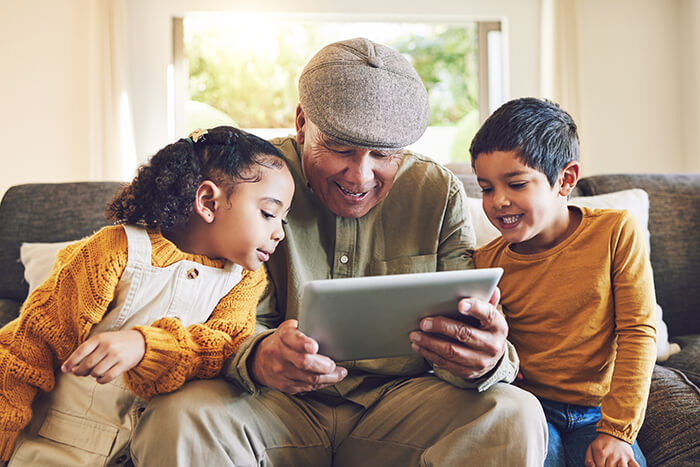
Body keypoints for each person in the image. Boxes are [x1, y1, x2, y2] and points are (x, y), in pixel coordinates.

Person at [131, 38, 547, 467]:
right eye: (341, 148)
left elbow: (466, 327)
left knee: (515, 412)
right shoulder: (250, 184)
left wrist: (487, 357)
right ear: (301, 122)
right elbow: (198, 306)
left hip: (402, 407)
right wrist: (257, 357)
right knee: (177, 416)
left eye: (384, 154)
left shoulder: (437, 193)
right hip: (268, 404)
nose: (360, 176)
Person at [0, 126, 295, 466]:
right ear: (208, 201)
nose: (278, 233)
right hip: (55, 450)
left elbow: (219, 350)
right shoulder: (112, 252)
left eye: (283, 221)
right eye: (269, 213)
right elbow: (25, 352)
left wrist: (145, 346)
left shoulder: (245, 281)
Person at [470, 97, 656, 467]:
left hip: (599, 413)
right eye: (486, 188)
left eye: (516, 184)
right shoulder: (485, 264)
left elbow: (638, 331)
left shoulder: (616, 232)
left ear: (565, 180)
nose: (499, 202)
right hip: (529, 409)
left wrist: (616, 432)